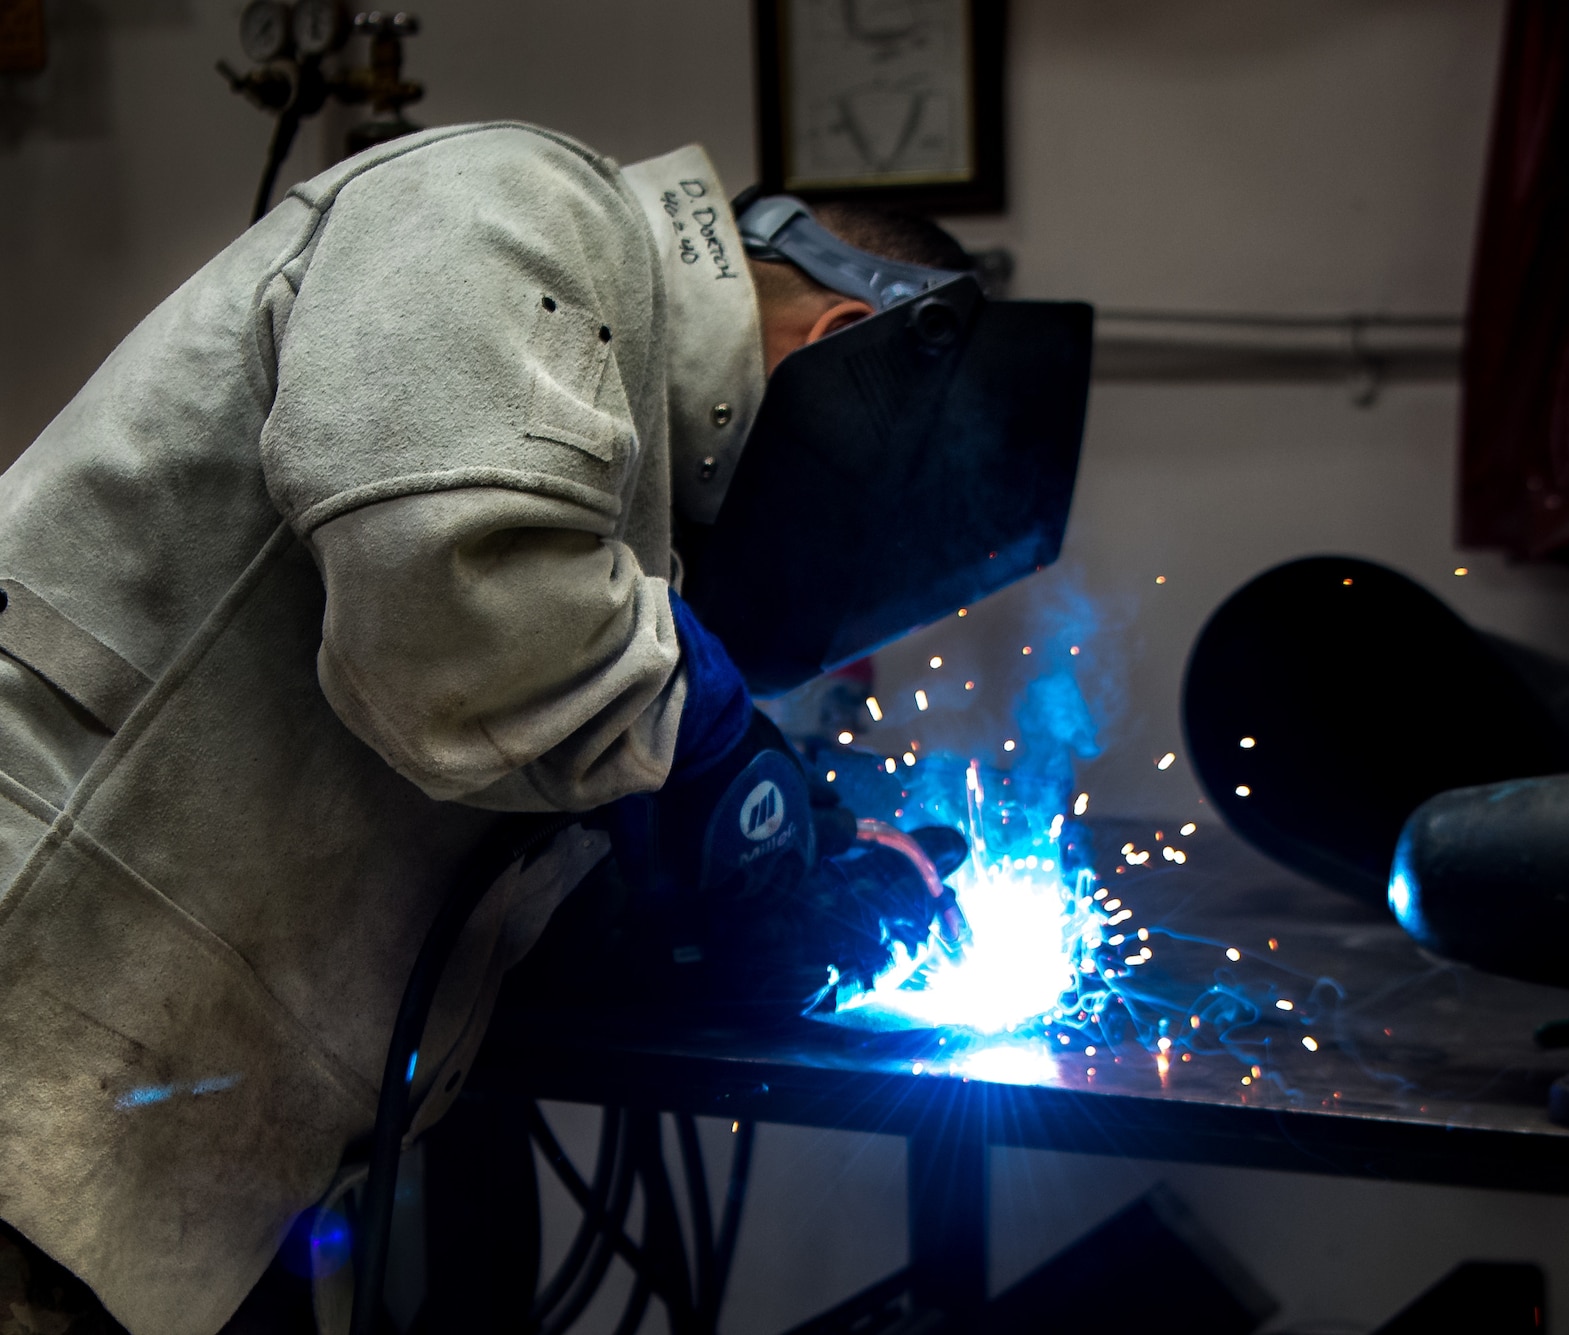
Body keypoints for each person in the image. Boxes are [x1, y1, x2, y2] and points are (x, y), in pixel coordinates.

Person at [0, 120, 1089, 1335]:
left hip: (176, 1143)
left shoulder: (633, 489)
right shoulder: (516, 205)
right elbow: (458, 629)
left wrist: (786, 873)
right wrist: (726, 759)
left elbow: (526, 802)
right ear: (839, 344)